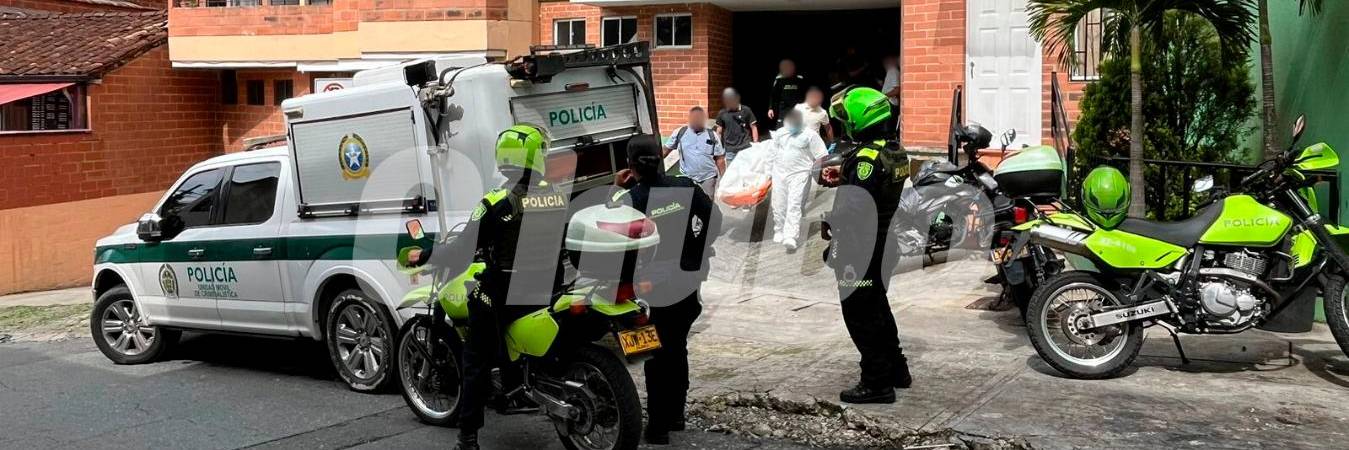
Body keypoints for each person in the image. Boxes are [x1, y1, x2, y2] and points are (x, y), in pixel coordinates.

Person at [418, 124, 570, 450]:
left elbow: (462, 250)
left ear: (505, 158)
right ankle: (514, 392)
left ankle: (468, 436)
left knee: (475, 359)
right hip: (548, 289)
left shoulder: (496, 201)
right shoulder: (556, 194)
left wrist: (427, 254)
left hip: (505, 292)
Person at [613, 135, 721, 445]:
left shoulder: (630, 198)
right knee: (676, 347)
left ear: (631, 166)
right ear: (661, 159)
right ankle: (675, 415)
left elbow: (606, 230)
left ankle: (658, 426)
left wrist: (616, 188)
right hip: (686, 281)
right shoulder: (685, 186)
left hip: (647, 289)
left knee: (652, 356)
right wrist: (695, 252)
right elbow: (717, 219)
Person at [819, 86, 912, 404]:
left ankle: (876, 382)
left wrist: (830, 222)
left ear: (860, 120)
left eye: (847, 119)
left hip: (860, 247)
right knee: (878, 307)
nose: (844, 124)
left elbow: (856, 208)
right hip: (885, 243)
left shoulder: (866, 159)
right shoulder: (894, 151)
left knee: (860, 314)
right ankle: (897, 369)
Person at [770, 110, 828, 251]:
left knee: (794, 204)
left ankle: (791, 236)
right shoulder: (780, 133)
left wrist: (823, 171)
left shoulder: (810, 135)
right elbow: (771, 152)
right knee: (778, 203)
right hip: (779, 173)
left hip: (800, 174)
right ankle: (779, 229)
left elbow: (822, 155)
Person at [665, 107, 726, 198]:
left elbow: (720, 159)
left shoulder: (712, 135)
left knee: (707, 207)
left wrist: (724, 178)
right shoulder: (680, 132)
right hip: (687, 177)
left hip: (708, 178)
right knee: (687, 205)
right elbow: (665, 150)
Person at [713, 88, 758, 162]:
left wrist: (756, 144)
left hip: (745, 148)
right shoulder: (722, 113)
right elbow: (719, 132)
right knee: (731, 172)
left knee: (746, 172)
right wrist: (718, 149)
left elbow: (753, 127)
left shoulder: (746, 110)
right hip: (730, 150)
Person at [768, 59, 807, 127]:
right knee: (781, 128)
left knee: (798, 127)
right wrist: (770, 108)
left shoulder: (799, 78)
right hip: (783, 108)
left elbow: (805, 93)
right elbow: (773, 94)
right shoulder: (779, 78)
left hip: (797, 107)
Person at [880, 55, 901, 135]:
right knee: (887, 125)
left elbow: (897, 90)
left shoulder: (893, 71)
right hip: (889, 102)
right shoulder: (891, 71)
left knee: (887, 127)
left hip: (890, 103)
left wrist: (883, 96)